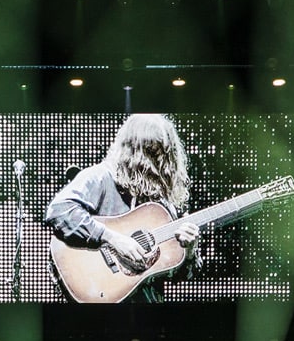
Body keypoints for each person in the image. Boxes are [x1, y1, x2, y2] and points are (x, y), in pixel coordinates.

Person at [44, 113, 201, 302]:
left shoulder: (163, 205)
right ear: (133, 151)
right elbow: (60, 210)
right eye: (150, 154)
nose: (156, 165)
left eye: (161, 156)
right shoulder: (100, 176)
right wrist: (112, 238)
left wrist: (189, 251)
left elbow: (176, 276)